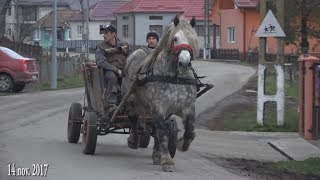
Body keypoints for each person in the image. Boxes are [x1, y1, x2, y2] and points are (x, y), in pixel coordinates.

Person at [126, 31, 159, 149]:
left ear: (157, 41)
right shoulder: (140, 53)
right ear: (147, 40)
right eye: (149, 38)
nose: (151, 40)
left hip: (155, 89)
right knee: (131, 101)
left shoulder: (162, 54)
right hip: (139, 85)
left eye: (154, 39)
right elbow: (129, 66)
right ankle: (134, 131)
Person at [95, 24, 129, 117]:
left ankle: (130, 104)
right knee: (111, 77)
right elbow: (101, 62)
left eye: (106, 33)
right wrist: (116, 70)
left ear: (113, 34)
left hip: (124, 70)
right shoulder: (101, 47)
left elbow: (130, 58)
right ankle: (111, 105)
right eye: (103, 33)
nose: (104, 35)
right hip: (108, 71)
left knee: (134, 80)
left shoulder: (124, 45)